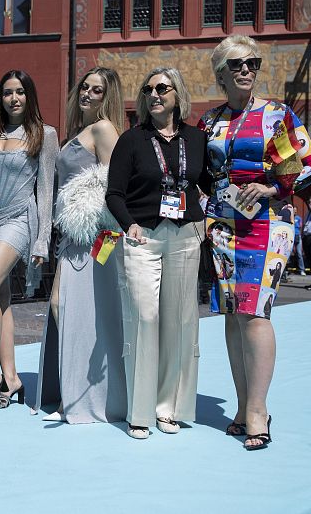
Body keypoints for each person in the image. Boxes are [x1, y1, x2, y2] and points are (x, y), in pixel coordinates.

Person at [198, 35, 311, 450]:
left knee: (255, 312)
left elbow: (308, 166)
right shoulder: (210, 121)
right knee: (233, 315)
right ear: (221, 74)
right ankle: (242, 405)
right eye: (237, 64)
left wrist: (271, 188)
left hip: (267, 224)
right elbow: (200, 175)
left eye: (253, 62)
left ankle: (258, 410)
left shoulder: (276, 115)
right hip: (222, 228)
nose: (247, 69)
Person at [106, 67, 212, 440]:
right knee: (144, 318)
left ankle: (167, 408)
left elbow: (209, 183)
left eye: (162, 88)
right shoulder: (131, 140)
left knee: (180, 322)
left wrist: (208, 219)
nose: (154, 94)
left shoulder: (197, 139)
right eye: (148, 89)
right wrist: (129, 224)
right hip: (143, 238)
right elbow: (114, 193)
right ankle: (139, 413)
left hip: (185, 236)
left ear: (177, 95)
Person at [34, 67, 128, 423]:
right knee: (64, 307)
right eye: (85, 87)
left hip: (94, 237)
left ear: (108, 96)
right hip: (73, 238)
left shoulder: (103, 129)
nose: (87, 93)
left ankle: (84, 399)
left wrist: (104, 238)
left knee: (87, 313)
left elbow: (114, 185)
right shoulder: (78, 131)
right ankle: (72, 394)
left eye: (97, 90)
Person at [0, 70, 57, 416]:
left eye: (20, 91)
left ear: (30, 95)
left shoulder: (44, 134)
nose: (14, 98)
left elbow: (46, 191)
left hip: (19, 218)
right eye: (7, 92)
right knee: (0, 298)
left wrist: (42, 241)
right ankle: (12, 379)